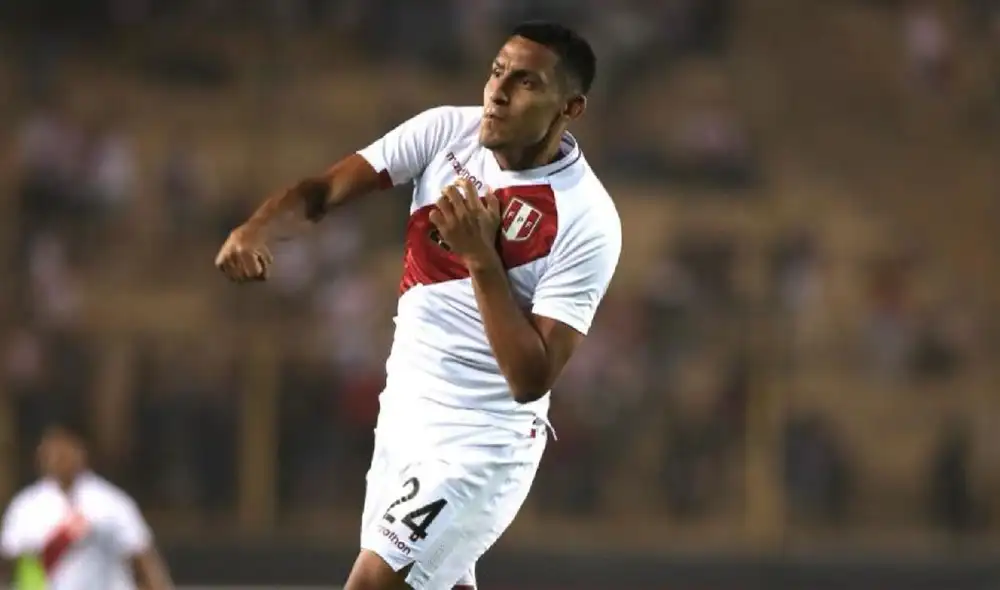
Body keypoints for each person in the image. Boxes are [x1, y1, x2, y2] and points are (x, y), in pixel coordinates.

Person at [215, 21, 621, 590]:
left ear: (570, 108)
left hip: (480, 443)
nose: (498, 92)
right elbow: (326, 190)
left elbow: (531, 378)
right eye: (498, 71)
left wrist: (481, 257)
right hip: (404, 417)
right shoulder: (444, 133)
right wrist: (257, 228)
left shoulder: (587, 217)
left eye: (526, 83)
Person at [0, 424, 174, 590]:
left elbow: (143, 559)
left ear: (81, 451)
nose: (58, 457)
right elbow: (8, 561)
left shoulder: (112, 503)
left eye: (65, 449)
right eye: (52, 450)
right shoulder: (25, 506)